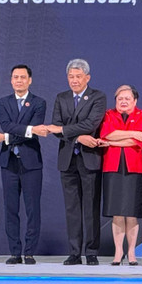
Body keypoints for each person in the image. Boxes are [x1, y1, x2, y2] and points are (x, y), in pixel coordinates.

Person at [45, 58, 107, 266]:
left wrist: (65, 131)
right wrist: (78, 137)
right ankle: (74, 252)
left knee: (91, 206)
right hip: (67, 159)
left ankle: (91, 251)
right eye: (71, 77)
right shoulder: (61, 98)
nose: (74, 80)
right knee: (72, 208)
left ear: (87, 78)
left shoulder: (98, 97)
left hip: (90, 159)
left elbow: (91, 123)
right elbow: (55, 127)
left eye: (78, 76)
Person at [0, 65, 47, 265]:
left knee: (32, 209)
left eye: (22, 77)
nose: (19, 80)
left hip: (31, 162)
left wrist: (5, 137)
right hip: (9, 161)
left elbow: (17, 130)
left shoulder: (39, 102)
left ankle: (29, 252)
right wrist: (29, 130)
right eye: (15, 77)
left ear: (30, 80)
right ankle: (15, 251)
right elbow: (7, 124)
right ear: (11, 80)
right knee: (10, 208)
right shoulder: (4, 102)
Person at [99, 85, 142, 266]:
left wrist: (115, 140)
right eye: (120, 99)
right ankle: (118, 252)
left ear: (135, 101)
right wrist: (132, 134)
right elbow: (107, 134)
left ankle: (132, 252)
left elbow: (139, 140)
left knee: (132, 213)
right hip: (112, 167)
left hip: (135, 167)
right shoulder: (109, 115)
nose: (123, 101)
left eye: (127, 98)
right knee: (117, 213)